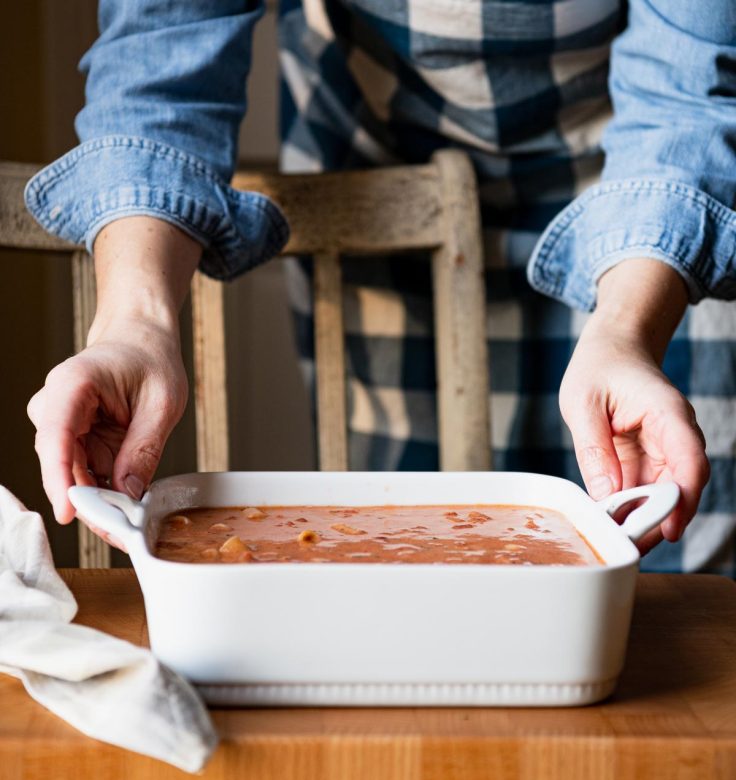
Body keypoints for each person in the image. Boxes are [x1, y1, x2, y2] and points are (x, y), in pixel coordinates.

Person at [25, 1, 735, 571]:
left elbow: (689, 89)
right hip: (378, 146)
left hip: (651, 182)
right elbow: (165, 50)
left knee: (669, 554)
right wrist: (134, 323)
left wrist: (626, 331)